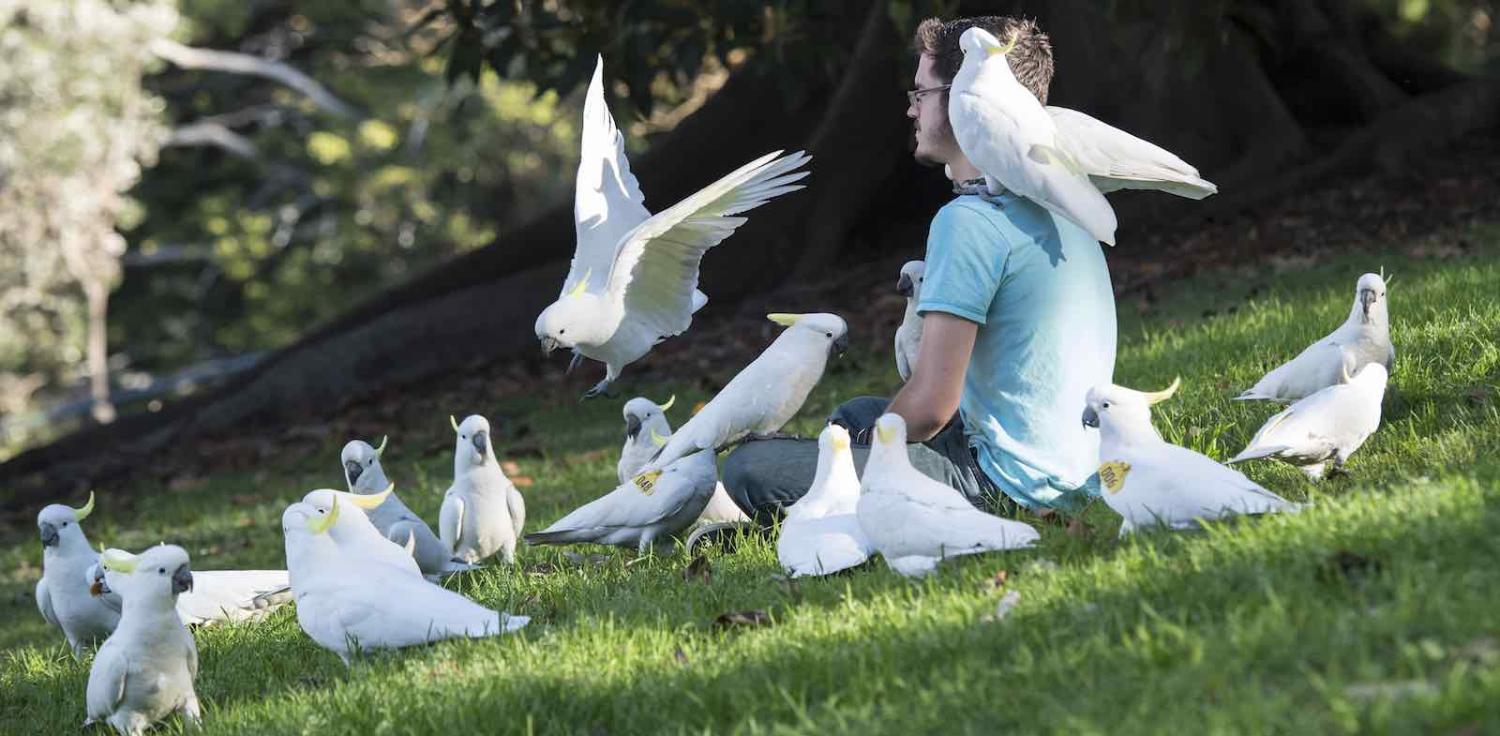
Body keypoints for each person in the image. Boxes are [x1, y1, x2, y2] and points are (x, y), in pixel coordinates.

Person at [721, 15, 1117, 522]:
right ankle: (828, 506)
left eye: (922, 94)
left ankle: (830, 520)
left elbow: (931, 407)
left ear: (963, 98)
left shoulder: (969, 220)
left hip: (1003, 487)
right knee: (856, 418)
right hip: (1076, 474)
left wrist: (866, 450)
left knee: (751, 469)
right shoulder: (1068, 198)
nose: (910, 109)